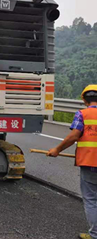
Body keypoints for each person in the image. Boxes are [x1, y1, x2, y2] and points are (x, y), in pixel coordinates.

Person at [48, 85, 97, 239]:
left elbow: (74, 135)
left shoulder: (83, 114)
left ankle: (95, 234)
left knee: (91, 199)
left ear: (83, 99)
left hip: (90, 164)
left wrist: (57, 150)